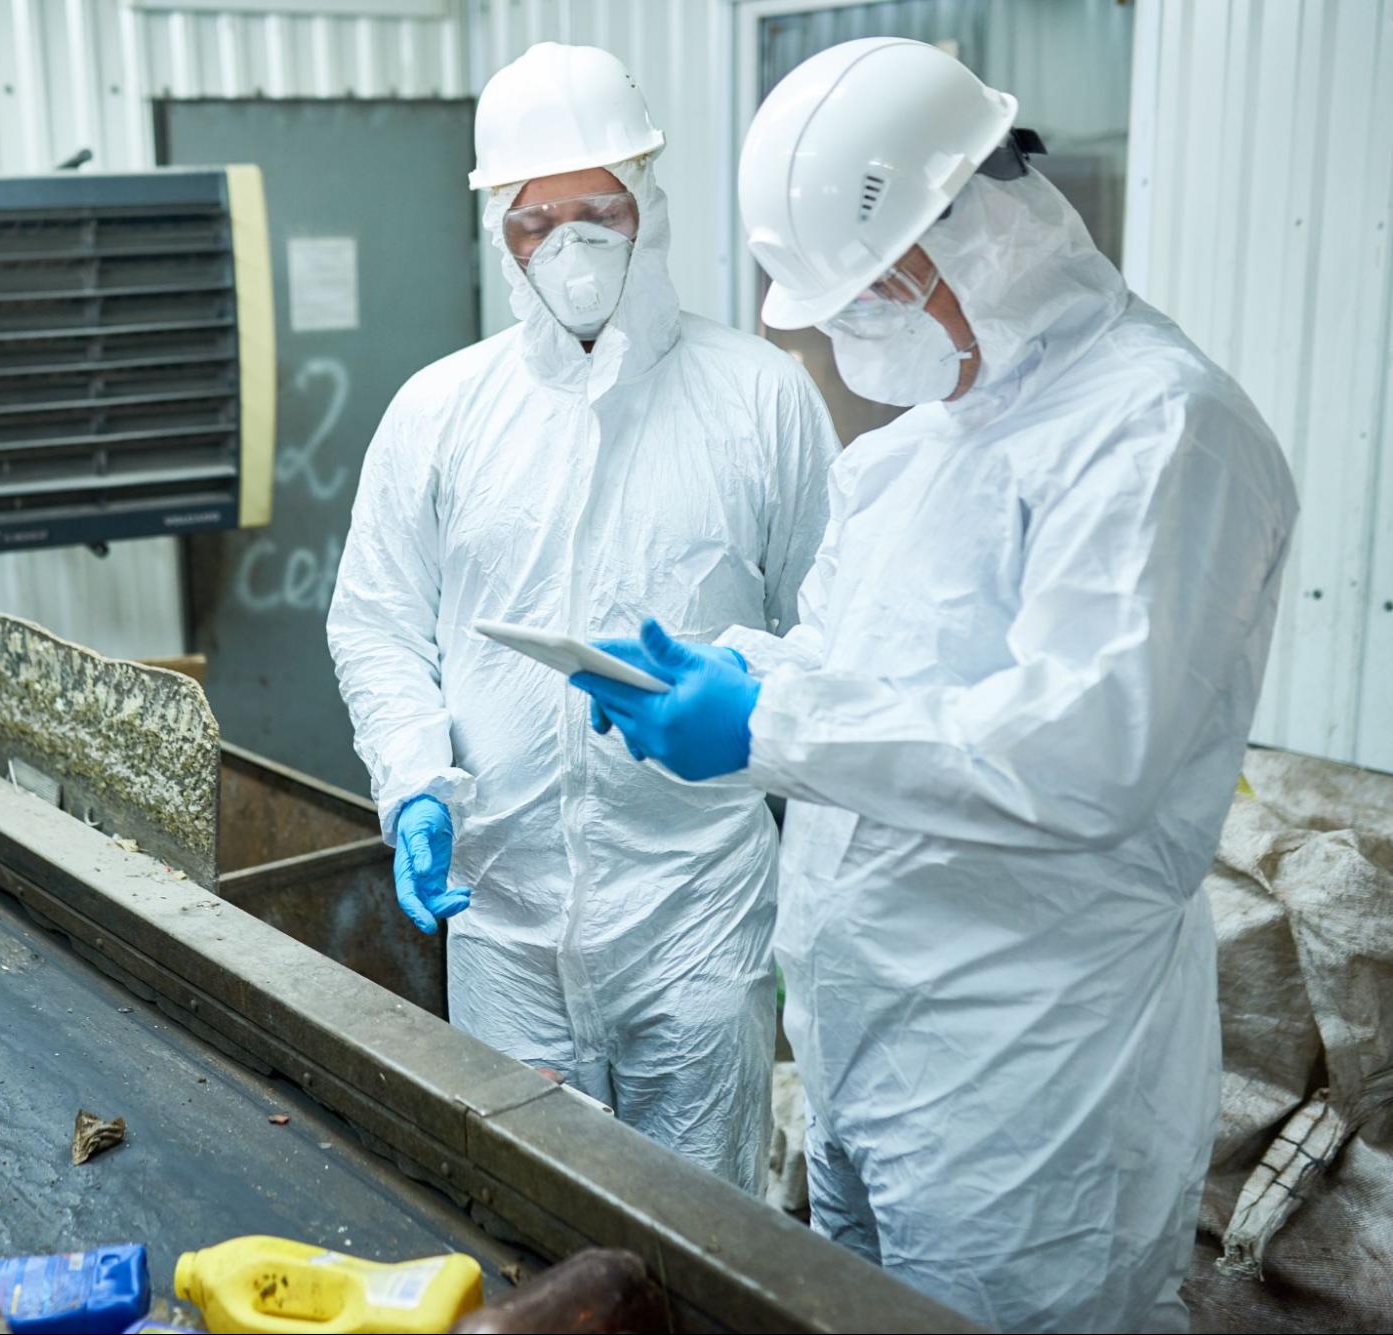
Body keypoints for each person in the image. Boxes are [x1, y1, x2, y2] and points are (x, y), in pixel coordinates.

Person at [572, 38, 1298, 1333]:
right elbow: (862, 688)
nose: (854, 339)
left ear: (977, 235)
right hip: (865, 1054)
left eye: (864, 300)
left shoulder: (1156, 431)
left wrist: (768, 721)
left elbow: (1083, 750)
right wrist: (728, 675)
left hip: (1026, 1089)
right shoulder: (916, 453)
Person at [325, 42, 837, 1190]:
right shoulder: (441, 411)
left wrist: (756, 714)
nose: (571, 244)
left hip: (698, 912)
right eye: (533, 219)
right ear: (498, 231)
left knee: (702, 1230)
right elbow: (376, 622)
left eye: (598, 208)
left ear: (647, 200)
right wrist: (412, 778)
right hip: (503, 918)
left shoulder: (759, 398)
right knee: (527, 1220)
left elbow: (833, 637)